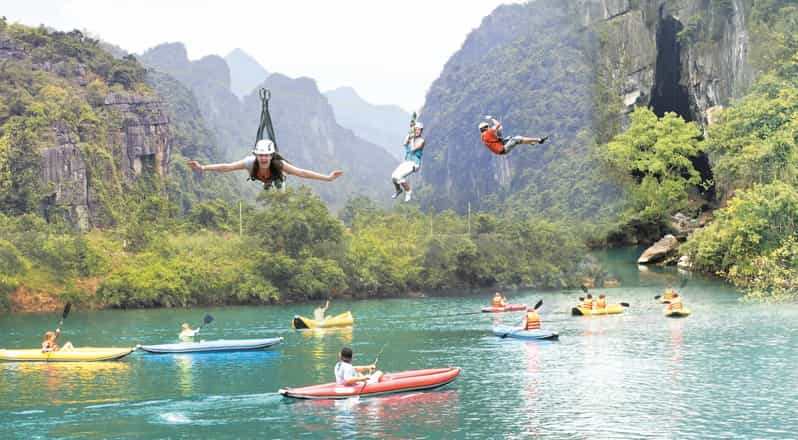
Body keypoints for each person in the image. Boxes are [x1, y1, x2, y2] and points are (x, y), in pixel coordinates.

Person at [187, 139, 343, 188]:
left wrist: (328, 178)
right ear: (256, 155)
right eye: (260, 155)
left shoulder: (279, 164)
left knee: (279, 184)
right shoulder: (250, 162)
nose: (263, 159)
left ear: (271, 155)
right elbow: (227, 167)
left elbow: (302, 173)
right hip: (261, 179)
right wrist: (202, 168)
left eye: (266, 156)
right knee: (266, 185)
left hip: (276, 178)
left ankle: (273, 184)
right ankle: (267, 184)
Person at [479, 116, 548, 155]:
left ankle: (529, 142)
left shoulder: (483, 136)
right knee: (517, 138)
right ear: (485, 128)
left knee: (512, 138)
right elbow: (497, 124)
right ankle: (539, 140)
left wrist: (499, 131)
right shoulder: (487, 133)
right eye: (487, 126)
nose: (489, 127)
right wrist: (492, 118)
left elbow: (496, 139)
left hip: (500, 146)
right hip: (502, 149)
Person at [391, 122, 425, 202]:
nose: (417, 131)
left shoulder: (422, 141)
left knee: (399, 177)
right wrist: (409, 133)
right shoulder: (411, 138)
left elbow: (413, 149)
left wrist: (412, 138)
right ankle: (398, 190)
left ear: (421, 131)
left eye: (418, 130)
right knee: (393, 177)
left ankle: (408, 192)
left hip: (414, 163)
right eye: (416, 130)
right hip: (407, 161)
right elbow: (404, 143)